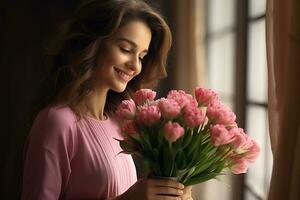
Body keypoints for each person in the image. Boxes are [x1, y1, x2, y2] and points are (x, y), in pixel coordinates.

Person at [21, 0, 193, 199]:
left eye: (141, 56)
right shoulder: (57, 122)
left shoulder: (120, 123)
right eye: (126, 49)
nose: (135, 66)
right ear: (93, 43)